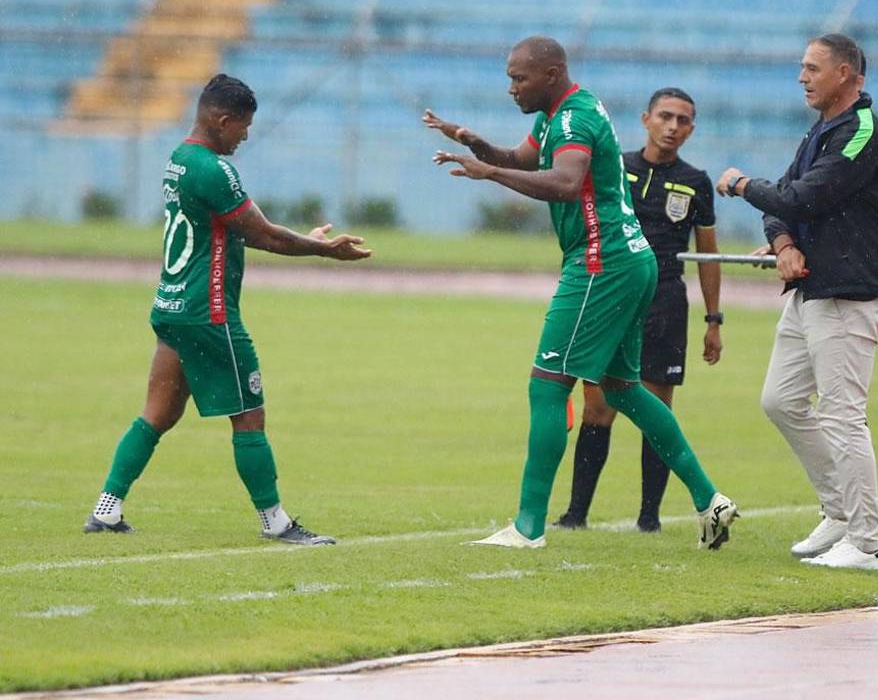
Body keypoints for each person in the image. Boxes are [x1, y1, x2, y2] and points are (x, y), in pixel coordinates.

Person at [423, 36, 738, 549]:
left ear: (550, 75)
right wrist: (476, 143)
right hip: (630, 259)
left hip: (600, 261)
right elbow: (524, 159)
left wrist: (492, 174)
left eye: (519, 78)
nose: (511, 88)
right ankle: (710, 500)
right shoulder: (561, 113)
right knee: (622, 389)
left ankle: (528, 528)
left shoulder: (572, 120)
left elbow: (567, 183)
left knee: (548, 384)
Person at [84, 74, 371, 544]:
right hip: (209, 314)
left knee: (158, 413)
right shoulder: (214, 170)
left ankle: (106, 510)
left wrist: (304, 240)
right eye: (243, 126)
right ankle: (276, 522)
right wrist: (322, 250)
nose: (245, 136)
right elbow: (264, 235)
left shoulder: (180, 159)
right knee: (249, 416)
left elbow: (244, 227)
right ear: (222, 121)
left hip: (173, 305)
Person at [715, 32, 878, 571]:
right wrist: (783, 244)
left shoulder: (860, 131)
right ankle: (839, 512)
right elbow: (784, 204)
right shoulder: (821, 131)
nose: (801, 77)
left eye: (813, 68)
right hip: (811, 290)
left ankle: (865, 544)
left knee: (843, 415)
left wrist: (741, 184)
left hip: (848, 291)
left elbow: (803, 196)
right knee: (781, 400)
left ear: (846, 74)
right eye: (802, 67)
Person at [553, 87, 724, 534]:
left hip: (665, 301)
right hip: (611, 296)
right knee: (597, 407)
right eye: (665, 116)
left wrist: (713, 320)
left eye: (682, 120)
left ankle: (649, 518)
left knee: (656, 409)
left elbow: (707, 255)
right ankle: (576, 514)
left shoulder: (696, 182)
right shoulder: (616, 167)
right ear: (646, 119)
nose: (672, 126)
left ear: (691, 129)